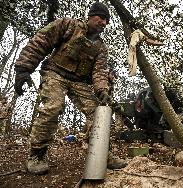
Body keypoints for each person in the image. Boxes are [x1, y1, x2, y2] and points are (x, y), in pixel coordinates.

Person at [14, 1, 127, 175]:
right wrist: (23, 69)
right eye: (101, 18)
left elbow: (99, 73)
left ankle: (102, 153)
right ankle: (36, 155)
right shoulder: (68, 25)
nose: (104, 23)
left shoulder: (101, 47)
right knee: (53, 107)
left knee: (98, 112)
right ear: (90, 16)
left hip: (79, 82)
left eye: (107, 21)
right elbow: (41, 41)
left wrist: (102, 91)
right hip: (55, 73)